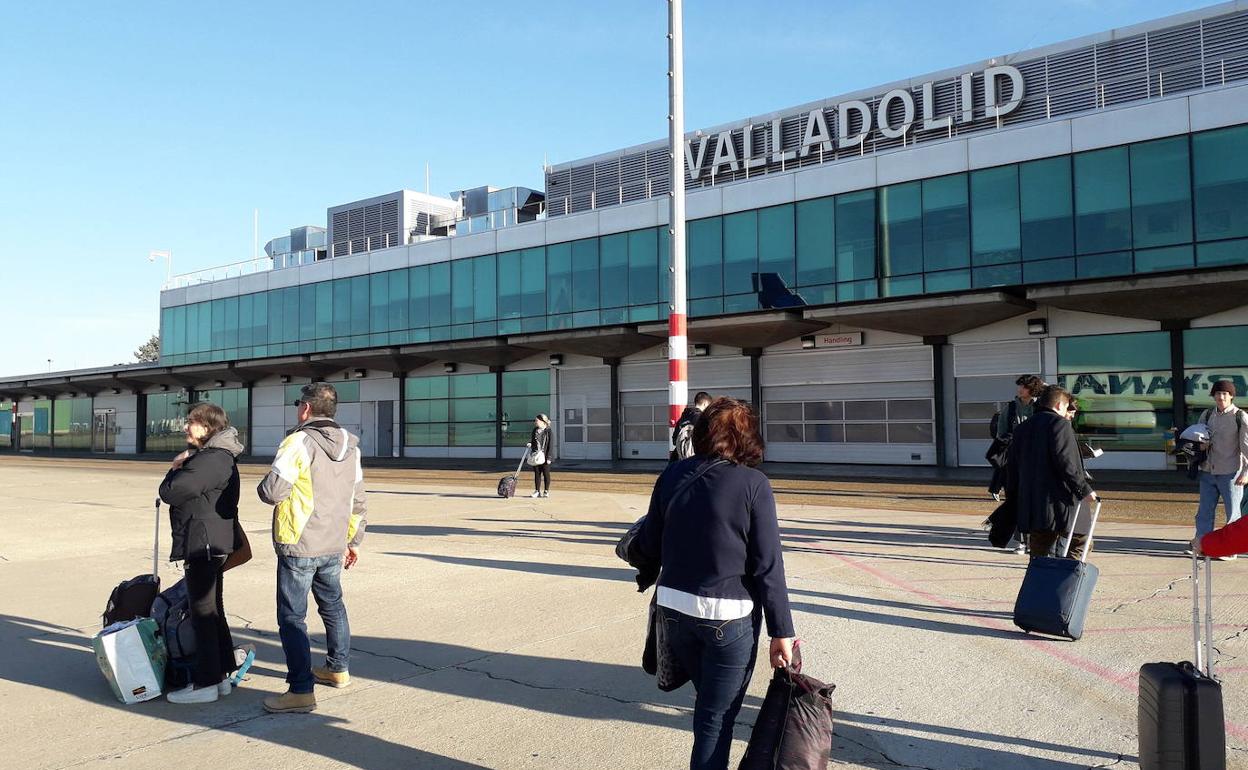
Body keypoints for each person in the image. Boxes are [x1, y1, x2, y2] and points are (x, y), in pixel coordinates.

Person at [632, 397, 795, 770]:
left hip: (673, 611)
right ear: (746, 437)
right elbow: (768, 565)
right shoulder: (753, 484)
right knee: (715, 720)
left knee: (707, 710)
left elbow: (649, 543)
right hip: (728, 616)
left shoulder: (672, 475)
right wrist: (781, 631)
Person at [257, 382, 367, 714]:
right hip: (334, 542)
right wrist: (353, 541)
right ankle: (338, 668)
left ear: (306, 408)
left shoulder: (298, 441)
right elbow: (358, 499)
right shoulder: (352, 447)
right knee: (333, 606)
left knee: (292, 617)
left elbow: (272, 491)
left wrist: (267, 480)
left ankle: (301, 690)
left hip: (300, 542)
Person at [157, 402, 244, 704]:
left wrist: (175, 467)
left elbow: (171, 492)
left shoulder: (211, 460)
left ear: (207, 428)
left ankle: (206, 682)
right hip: (213, 541)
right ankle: (220, 674)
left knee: (202, 613)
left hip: (204, 542)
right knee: (211, 609)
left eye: (191, 422)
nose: (185, 427)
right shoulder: (218, 457)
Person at [1006, 385, 1098, 559]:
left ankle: (1039, 584)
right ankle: (1067, 582)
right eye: (1065, 407)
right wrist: (1084, 489)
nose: (1067, 412)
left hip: (1034, 503)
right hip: (1061, 501)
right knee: (1081, 541)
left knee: (1039, 551)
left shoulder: (1022, 428)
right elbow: (1066, 462)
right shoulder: (1059, 424)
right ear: (1058, 406)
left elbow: (1012, 466)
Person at [1189, 380, 1248, 556]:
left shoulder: (1240, 417)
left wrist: (1246, 472)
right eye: (1217, 393)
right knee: (1204, 512)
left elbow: (1246, 447)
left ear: (1231, 396)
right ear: (1213, 396)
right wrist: (1200, 446)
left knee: (1233, 514)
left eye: (1224, 393)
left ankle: (1230, 550)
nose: (1221, 397)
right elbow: (1198, 439)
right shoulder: (1207, 415)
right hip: (1208, 471)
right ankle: (1201, 544)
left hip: (1231, 472)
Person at [989, 374, 1046, 553]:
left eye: (1023, 386)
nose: (1019, 389)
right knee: (1015, 501)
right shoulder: (1011, 408)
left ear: (1033, 389)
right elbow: (1000, 433)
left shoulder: (1041, 407)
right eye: (1019, 386)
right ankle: (1021, 541)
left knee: (1036, 502)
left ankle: (1035, 541)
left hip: (1036, 462)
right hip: (1014, 462)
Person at [670, 391, 713, 462]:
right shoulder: (703, 419)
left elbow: (674, 440)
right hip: (695, 459)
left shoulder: (683, 418)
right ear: (705, 404)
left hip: (679, 458)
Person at [528, 413, 553, 498]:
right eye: (535, 420)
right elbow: (532, 441)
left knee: (546, 474)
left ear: (543, 421)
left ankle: (546, 491)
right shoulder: (535, 430)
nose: (535, 422)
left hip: (545, 456)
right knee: (537, 474)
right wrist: (530, 443)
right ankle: (537, 491)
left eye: (537, 420)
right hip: (536, 455)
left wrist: (549, 457)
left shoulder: (548, 431)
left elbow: (550, 445)